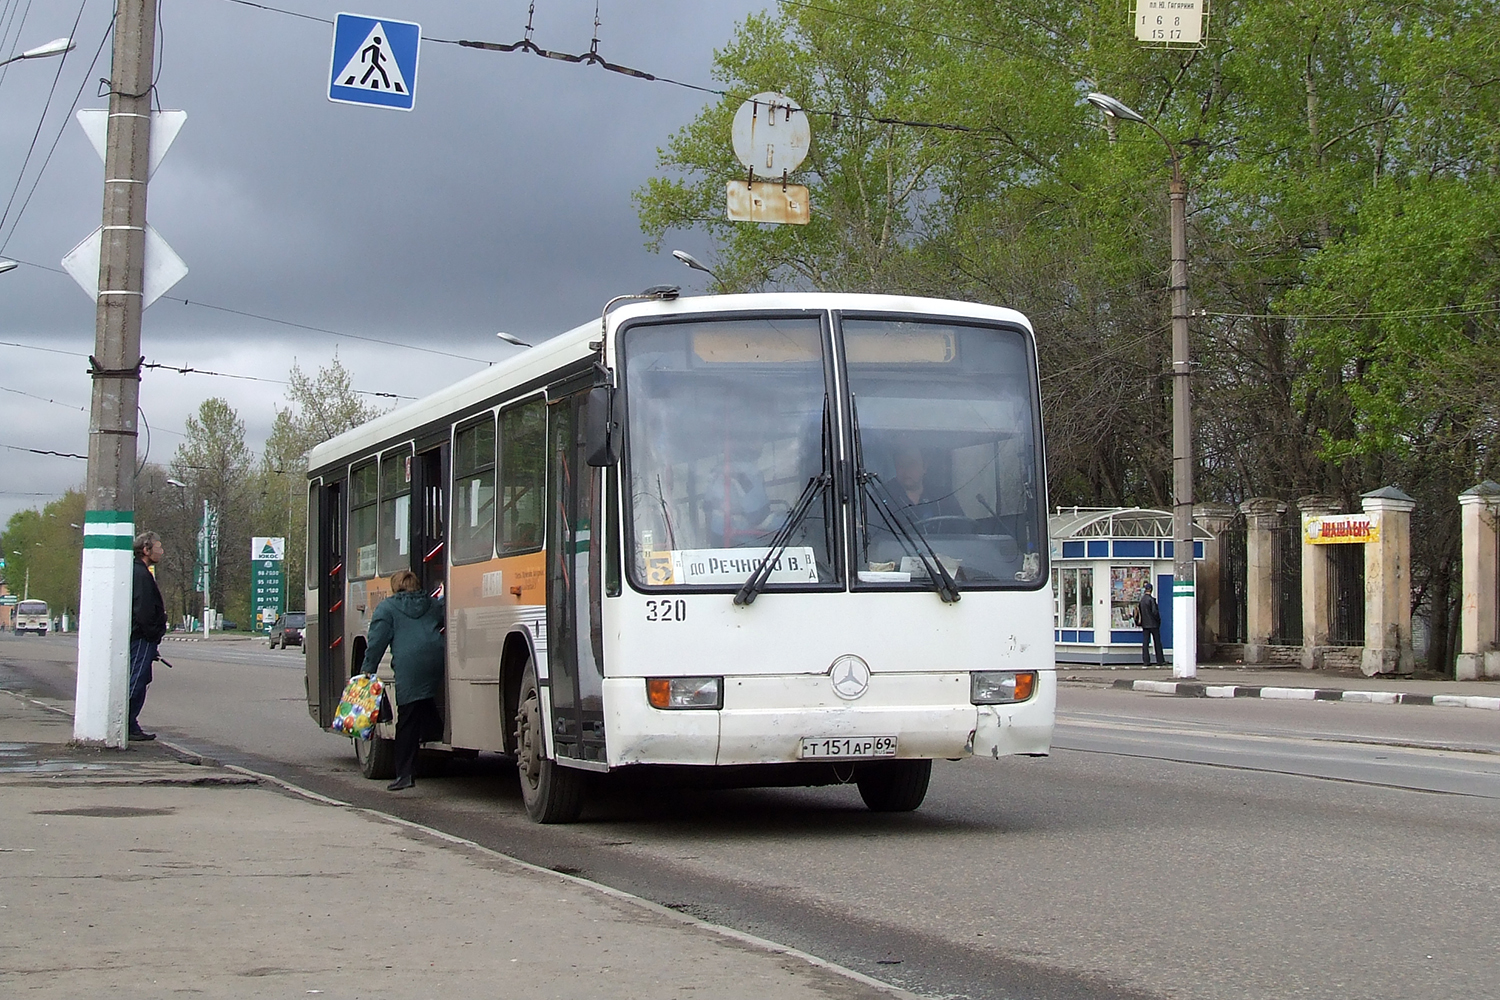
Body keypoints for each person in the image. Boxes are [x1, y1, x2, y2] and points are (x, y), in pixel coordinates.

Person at [361, 569, 445, 791]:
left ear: (395, 587)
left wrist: (367, 670)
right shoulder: (431, 604)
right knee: (422, 700)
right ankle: (435, 732)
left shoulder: (387, 608)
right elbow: (443, 614)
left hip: (409, 665)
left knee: (407, 719)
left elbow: (377, 642)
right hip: (436, 659)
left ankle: (404, 774)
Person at [129, 531, 169, 742]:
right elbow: (143, 609)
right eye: (158, 547)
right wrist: (153, 633)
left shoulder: (140, 572)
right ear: (146, 550)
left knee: (141, 678)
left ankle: (130, 723)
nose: (161, 551)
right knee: (136, 679)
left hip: (144, 637)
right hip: (142, 638)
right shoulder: (140, 574)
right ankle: (126, 722)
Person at [891, 443, 963, 521]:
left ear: (924, 467)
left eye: (912, 463)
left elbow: (961, 525)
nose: (906, 469)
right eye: (900, 464)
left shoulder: (943, 497)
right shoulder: (885, 497)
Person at [1135, 582, 1165, 665]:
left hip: (1145, 624)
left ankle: (1146, 661)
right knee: (1157, 642)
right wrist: (1158, 620)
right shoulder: (1151, 600)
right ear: (1151, 590)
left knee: (1145, 643)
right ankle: (1160, 660)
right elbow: (1155, 612)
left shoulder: (1142, 600)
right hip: (1153, 624)